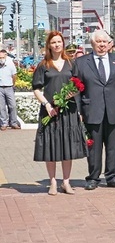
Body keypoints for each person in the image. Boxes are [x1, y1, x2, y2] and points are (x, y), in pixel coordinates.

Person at [73, 29, 115, 190]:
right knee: (94, 147)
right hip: (92, 109)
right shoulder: (82, 62)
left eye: (105, 42)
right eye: (99, 42)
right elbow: (76, 87)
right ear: (92, 43)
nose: (102, 45)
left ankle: (113, 177)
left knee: (114, 146)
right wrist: (79, 110)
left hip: (114, 109)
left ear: (109, 44)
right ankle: (93, 178)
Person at [32, 31, 88, 195]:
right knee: (51, 145)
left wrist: (74, 93)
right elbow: (36, 88)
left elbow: (78, 84)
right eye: (53, 42)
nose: (57, 45)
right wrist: (47, 105)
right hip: (50, 112)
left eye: (59, 42)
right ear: (49, 45)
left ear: (63, 44)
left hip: (68, 111)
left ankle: (66, 182)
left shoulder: (71, 63)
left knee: (67, 146)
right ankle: (52, 182)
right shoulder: (44, 65)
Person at [0, 49, 21, 131]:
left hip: (9, 87)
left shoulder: (10, 64)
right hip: (0, 87)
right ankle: (3, 123)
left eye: (2, 57)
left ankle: (13, 123)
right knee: (1, 107)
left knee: (12, 105)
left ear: (5, 56)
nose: (1, 59)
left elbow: (14, 75)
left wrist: (13, 84)